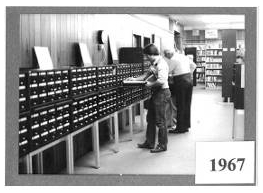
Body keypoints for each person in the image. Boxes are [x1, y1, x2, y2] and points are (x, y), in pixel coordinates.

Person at [126, 44, 171, 153]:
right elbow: (146, 75)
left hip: (162, 93)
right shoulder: (154, 63)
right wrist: (134, 79)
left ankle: (162, 145)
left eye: (146, 56)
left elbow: (161, 81)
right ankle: (149, 142)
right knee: (150, 119)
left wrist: (150, 85)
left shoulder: (162, 64)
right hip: (156, 93)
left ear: (151, 55)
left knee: (160, 121)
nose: (146, 58)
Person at [163, 48, 196, 134]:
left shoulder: (173, 59)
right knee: (187, 104)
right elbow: (194, 66)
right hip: (189, 80)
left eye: (167, 56)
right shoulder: (184, 57)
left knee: (180, 104)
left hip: (181, 82)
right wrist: (188, 73)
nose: (167, 58)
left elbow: (167, 71)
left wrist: (173, 74)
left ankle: (180, 128)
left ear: (169, 54)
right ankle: (186, 126)